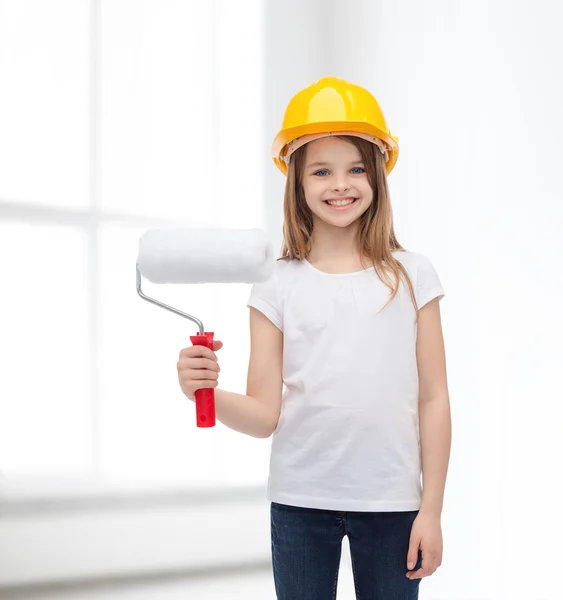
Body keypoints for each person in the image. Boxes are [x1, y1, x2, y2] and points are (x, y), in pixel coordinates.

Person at [177, 76, 452, 600]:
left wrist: (431, 509)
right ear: (297, 183)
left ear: (377, 177)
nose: (340, 184)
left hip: (394, 503)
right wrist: (204, 391)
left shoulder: (414, 275)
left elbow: (434, 397)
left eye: (355, 169)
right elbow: (264, 416)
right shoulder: (276, 283)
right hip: (301, 502)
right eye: (321, 171)